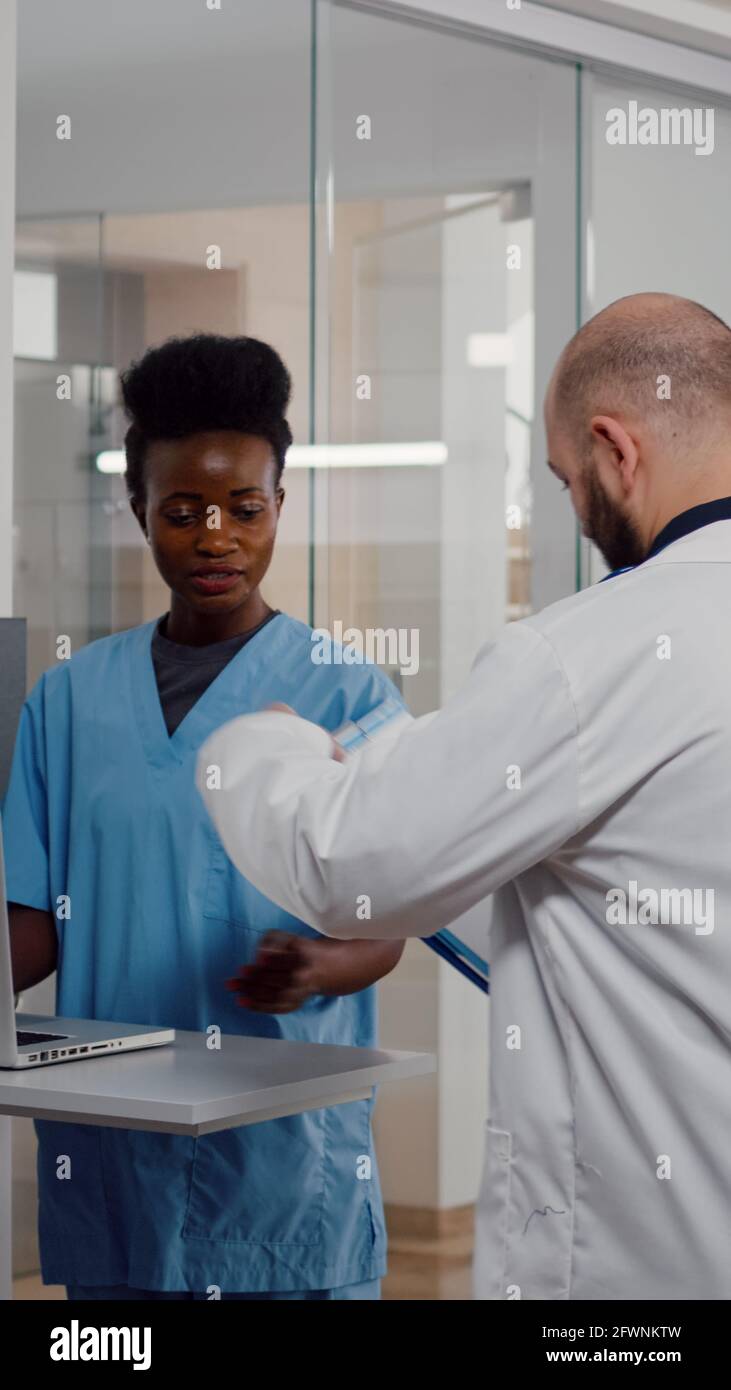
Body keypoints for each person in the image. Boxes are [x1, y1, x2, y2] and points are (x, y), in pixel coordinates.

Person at [198, 294, 731, 1301]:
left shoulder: (589, 652)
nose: (575, 510)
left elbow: (346, 864)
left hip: (638, 1278)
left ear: (614, 451)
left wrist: (259, 742)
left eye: (567, 481)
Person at [3, 333, 405, 1300]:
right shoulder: (67, 703)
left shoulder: (345, 693)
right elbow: (28, 926)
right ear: (138, 509)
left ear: (280, 506)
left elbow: (384, 927)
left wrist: (318, 964)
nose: (214, 535)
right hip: (113, 1151)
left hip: (281, 1155)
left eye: (244, 508)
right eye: (181, 511)